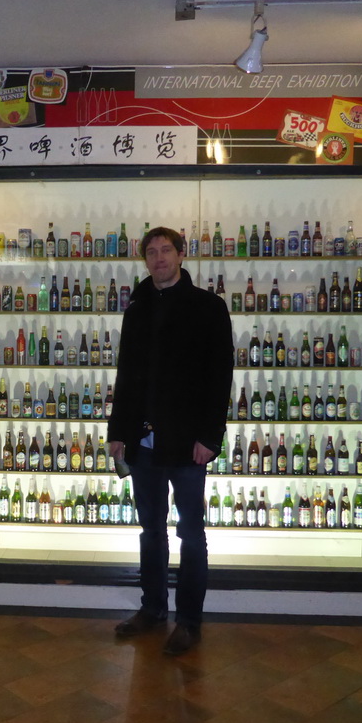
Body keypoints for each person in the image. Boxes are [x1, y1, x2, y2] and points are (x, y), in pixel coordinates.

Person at [108, 225, 234, 655]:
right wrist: (117, 433)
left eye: (166, 250)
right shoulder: (137, 306)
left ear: (181, 255)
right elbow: (126, 376)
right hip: (143, 441)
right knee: (150, 531)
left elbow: (220, 377)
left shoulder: (207, 307)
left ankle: (190, 620)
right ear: (144, 259)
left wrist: (210, 437)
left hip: (187, 442)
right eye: (152, 252)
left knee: (191, 533)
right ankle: (153, 609)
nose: (159, 258)